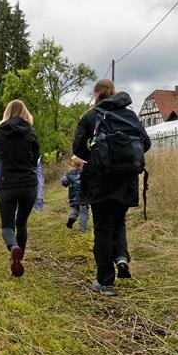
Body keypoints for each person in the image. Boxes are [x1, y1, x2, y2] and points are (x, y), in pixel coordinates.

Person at [72, 79, 151, 295]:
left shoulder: (90, 116)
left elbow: (77, 148)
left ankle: (105, 281)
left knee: (103, 229)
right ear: (114, 92)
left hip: (100, 181)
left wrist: (98, 158)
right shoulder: (130, 115)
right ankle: (122, 257)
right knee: (119, 222)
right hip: (126, 181)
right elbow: (147, 143)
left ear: (96, 93)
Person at [0, 99, 40, 277]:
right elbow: (36, 158)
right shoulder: (31, 132)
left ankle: (14, 248)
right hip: (29, 184)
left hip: (8, 184)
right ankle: (19, 259)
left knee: (7, 226)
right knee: (22, 223)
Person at [60, 156, 89, 232]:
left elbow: (64, 181)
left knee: (76, 210)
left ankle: (71, 220)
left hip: (73, 197)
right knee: (84, 212)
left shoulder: (68, 174)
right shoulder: (86, 173)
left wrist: (66, 184)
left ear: (73, 164)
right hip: (84, 196)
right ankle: (83, 229)